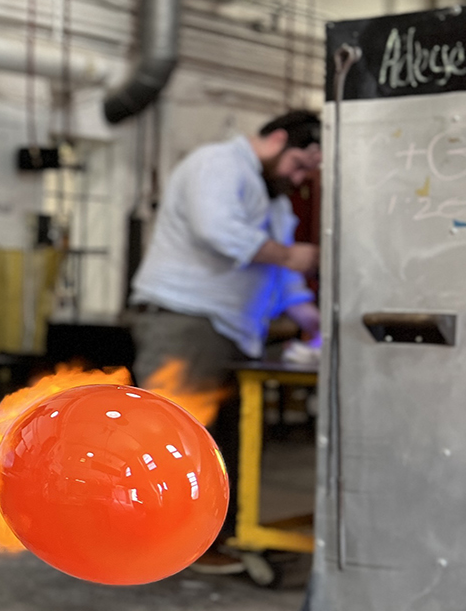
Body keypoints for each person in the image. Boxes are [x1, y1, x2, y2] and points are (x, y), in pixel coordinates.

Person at [125, 109, 322, 569]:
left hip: (229, 331)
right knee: (175, 442)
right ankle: (158, 548)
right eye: (298, 165)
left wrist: (311, 319)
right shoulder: (217, 164)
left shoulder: (274, 200)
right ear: (276, 139)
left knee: (220, 445)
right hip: (186, 321)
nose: (299, 178)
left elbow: (283, 274)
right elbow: (218, 231)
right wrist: (292, 254)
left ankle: (208, 540)